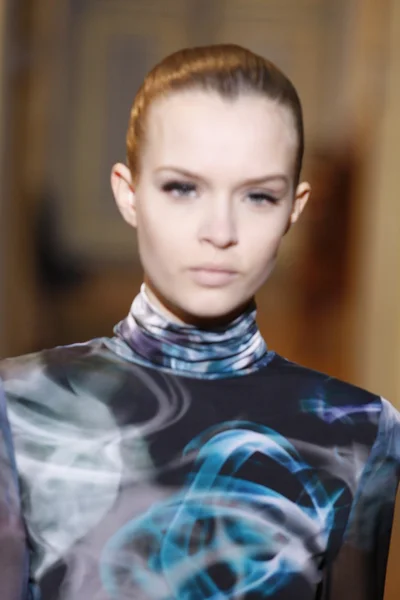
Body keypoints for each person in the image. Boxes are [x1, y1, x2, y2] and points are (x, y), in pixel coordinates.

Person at [0, 44, 399, 600]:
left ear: (294, 209)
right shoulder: (17, 410)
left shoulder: (357, 431)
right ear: (129, 194)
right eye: (182, 188)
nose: (219, 230)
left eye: (258, 196)